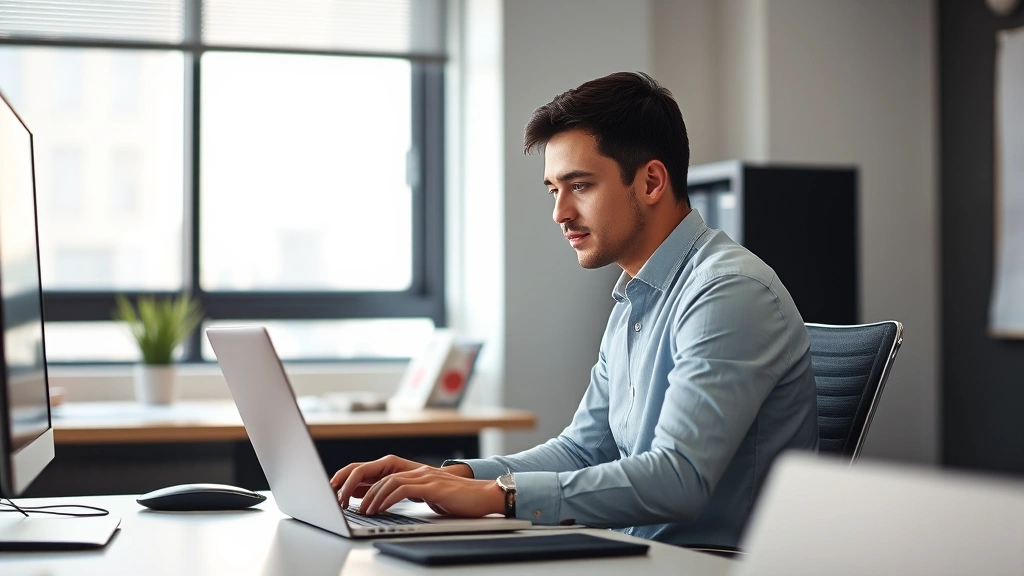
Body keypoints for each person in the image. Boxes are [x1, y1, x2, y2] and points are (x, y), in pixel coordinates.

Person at [331, 71, 818, 548]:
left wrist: (497, 496)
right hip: (637, 555)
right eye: (553, 190)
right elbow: (583, 449)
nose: (559, 212)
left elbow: (678, 478)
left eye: (579, 185)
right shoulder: (636, 298)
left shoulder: (727, 291)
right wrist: (449, 476)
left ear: (650, 182)